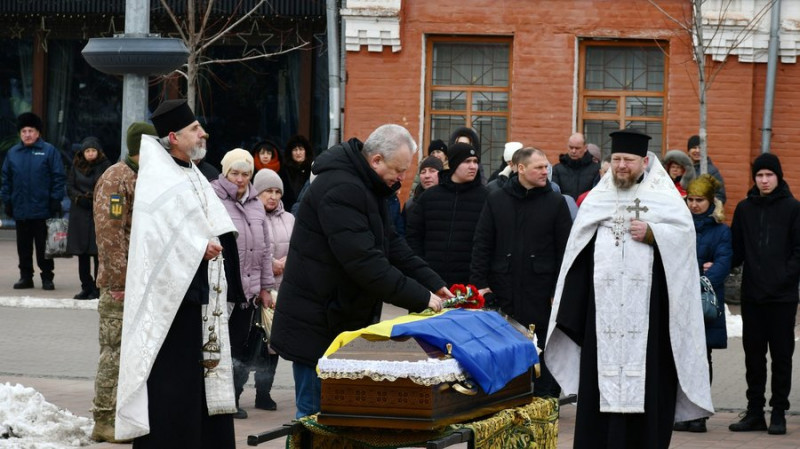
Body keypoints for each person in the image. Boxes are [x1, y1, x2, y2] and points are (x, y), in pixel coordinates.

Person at [545, 129, 713, 448]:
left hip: (651, 314)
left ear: (645, 162)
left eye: (629, 160)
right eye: (617, 159)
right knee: (598, 387)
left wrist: (654, 234)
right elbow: (577, 252)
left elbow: (684, 241)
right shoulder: (598, 199)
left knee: (649, 383)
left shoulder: (665, 199)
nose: (621, 166)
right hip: (602, 315)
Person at [270, 124, 453, 419]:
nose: (403, 178)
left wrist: (433, 282)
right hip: (317, 324)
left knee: (342, 418)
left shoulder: (368, 185)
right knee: (318, 419)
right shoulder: (341, 188)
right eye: (399, 169)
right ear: (376, 160)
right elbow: (364, 262)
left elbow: (391, 243)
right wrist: (421, 297)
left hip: (339, 320)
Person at [115, 99, 239, 448]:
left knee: (202, 382)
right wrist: (197, 248)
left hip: (201, 299)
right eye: (195, 129)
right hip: (172, 306)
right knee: (173, 384)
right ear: (173, 136)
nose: (204, 132)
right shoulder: (158, 179)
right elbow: (155, 241)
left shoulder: (192, 171)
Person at [470, 147, 572, 398]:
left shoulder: (556, 202)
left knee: (541, 347)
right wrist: (480, 285)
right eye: (538, 167)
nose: (545, 171)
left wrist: (557, 291)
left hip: (540, 292)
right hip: (502, 289)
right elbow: (482, 244)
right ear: (520, 168)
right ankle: (505, 394)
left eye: (546, 166)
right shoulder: (496, 199)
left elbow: (566, 251)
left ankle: (543, 397)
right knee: (503, 345)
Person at [90, 122, 157, 443]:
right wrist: (119, 281)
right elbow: (110, 235)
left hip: (140, 282)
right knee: (114, 352)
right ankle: (103, 419)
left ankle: (122, 416)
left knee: (129, 354)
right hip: (121, 285)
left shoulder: (141, 175)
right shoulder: (117, 179)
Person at [729, 153, 800, 435]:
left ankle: (779, 412)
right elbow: (735, 250)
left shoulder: (793, 208)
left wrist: (784, 278)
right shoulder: (745, 209)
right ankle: (755, 411)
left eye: (769, 175)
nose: (764, 180)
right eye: (759, 175)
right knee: (753, 357)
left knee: (782, 356)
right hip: (753, 296)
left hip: (782, 297)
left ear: (778, 177)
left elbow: (798, 252)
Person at [210, 148, 276, 420]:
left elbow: (264, 250)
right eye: (235, 173)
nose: (240, 179)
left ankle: (231, 399)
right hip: (221, 289)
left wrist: (265, 287)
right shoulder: (213, 196)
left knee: (239, 346)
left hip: (248, 292)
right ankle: (211, 398)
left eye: (246, 174)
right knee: (217, 346)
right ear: (225, 172)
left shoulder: (255, 203)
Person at [673, 174, 732, 433]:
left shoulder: (721, 231)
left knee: (701, 358)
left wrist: (698, 277)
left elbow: (722, 263)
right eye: (691, 199)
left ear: (711, 202)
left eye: (700, 200)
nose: (694, 205)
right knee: (679, 357)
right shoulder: (679, 225)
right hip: (679, 300)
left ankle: (698, 415)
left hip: (704, 302)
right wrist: (699, 267)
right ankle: (680, 411)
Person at [406, 142, 489, 286]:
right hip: (430, 282)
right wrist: (422, 271)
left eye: (475, 161)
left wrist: (479, 280)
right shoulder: (430, 197)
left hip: (469, 285)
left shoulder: (486, 198)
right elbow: (413, 236)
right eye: (467, 161)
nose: (473, 166)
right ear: (454, 163)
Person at [1, 112, 66, 291]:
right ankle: (25, 277)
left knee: (44, 248)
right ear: (20, 134)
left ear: (38, 133)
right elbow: (6, 179)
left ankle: (47, 277)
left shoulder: (49, 151)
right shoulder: (13, 153)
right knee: (23, 247)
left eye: (31, 130)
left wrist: (55, 200)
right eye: (24, 131)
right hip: (20, 209)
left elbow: (58, 177)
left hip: (43, 209)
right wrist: (7, 201)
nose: (27, 134)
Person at [252, 168, 295, 411]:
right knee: (252, 342)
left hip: (282, 289)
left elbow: (300, 245)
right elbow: (249, 248)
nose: (273, 196)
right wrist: (270, 265)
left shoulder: (289, 219)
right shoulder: (251, 216)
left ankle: (263, 392)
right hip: (256, 288)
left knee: (272, 343)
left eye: (277, 192)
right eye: (268, 191)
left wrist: (285, 262)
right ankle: (236, 391)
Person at [66, 136, 111, 299]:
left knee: (98, 253)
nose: (90, 154)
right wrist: (79, 198)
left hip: (98, 213)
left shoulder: (106, 166)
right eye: (87, 151)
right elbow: (70, 186)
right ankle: (86, 286)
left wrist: (92, 198)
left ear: (98, 152)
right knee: (82, 254)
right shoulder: (76, 165)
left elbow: (107, 186)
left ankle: (98, 288)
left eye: (93, 150)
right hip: (79, 213)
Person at [551, 132, 600, 200]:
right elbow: (554, 194)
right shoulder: (557, 169)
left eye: (577, 148)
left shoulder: (596, 169)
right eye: (571, 147)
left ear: (585, 148)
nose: (573, 151)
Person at [687, 135, 726, 203]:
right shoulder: (682, 168)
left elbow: (720, 196)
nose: (697, 150)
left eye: (700, 148)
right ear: (688, 151)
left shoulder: (712, 171)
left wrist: (707, 208)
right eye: (694, 148)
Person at [280, 134, 313, 212]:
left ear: (306, 151)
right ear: (290, 153)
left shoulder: (312, 170)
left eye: (301, 149)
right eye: (295, 150)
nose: (298, 153)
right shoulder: (284, 171)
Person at [403, 155, 443, 219]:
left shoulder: (450, 201)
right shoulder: (410, 205)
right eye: (423, 172)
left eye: (432, 171)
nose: (427, 176)